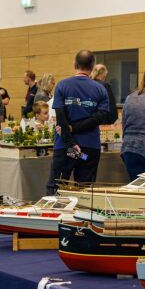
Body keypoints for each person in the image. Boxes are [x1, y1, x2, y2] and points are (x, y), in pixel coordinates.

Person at [46, 51, 111, 193]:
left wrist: (71, 143)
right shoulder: (100, 89)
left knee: (56, 188)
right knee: (85, 191)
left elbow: (60, 118)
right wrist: (74, 129)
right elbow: (99, 118)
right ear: (92, 66)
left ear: (75, 64)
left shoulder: (62, 86)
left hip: (66, 148)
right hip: (88, 149)